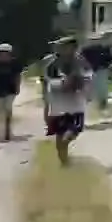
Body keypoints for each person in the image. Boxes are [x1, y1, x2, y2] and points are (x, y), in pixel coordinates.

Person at [41, 36, 91, 166]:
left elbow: (88, 78)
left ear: (74, 48)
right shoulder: (52, 64)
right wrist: (46, 106)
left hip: (76, 104)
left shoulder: (81, 62)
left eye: (66, 47)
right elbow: (46, 83)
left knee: (74, 130)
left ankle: (65, 149)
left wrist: (83, 88)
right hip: (58, 105)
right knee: (59, 135)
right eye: (61, 47)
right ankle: (64, 162)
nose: (63, 49)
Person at [81, 39, 112, 111]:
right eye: (93, 40)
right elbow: (81, 60)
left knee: (101, 88)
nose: (95, 41)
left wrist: (106, 65)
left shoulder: (104, 49)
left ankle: (102, 105)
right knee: (92, 89)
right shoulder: (86, 50)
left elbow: (110, 59)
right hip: (90, 72)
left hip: (101, 70)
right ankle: (94, 106)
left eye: (96, 40)